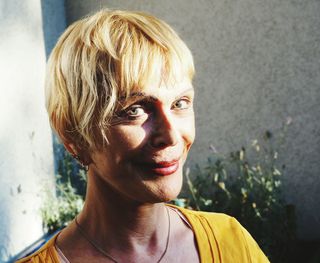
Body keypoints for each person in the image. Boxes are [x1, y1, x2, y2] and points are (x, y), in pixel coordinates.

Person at [17, 9, 269, 263]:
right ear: (74, 135)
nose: (170, 135)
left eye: (180, 103)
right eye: (134, 110)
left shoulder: (231, 243)